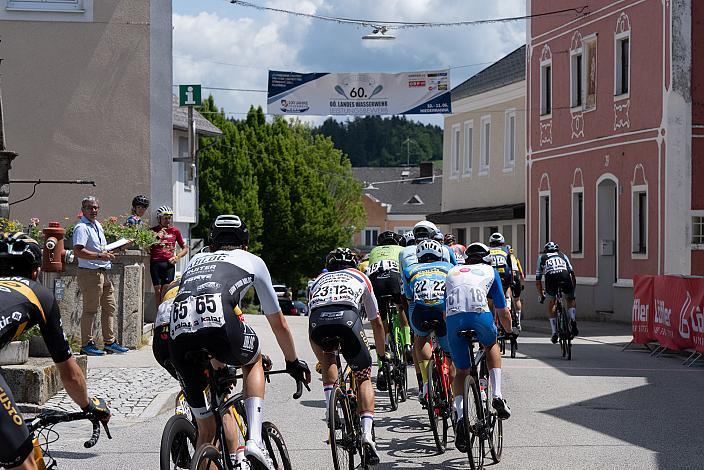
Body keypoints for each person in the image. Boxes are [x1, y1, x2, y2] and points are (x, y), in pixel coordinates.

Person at [168, 214, 311, 468]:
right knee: (253, 360)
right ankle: (255, 441)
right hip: (219, 326)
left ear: (211, 243)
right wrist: (292, 361)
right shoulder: (253, 261)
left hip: (178, 334)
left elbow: (198, 317)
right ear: (245, 243)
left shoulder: (195, 260)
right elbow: (279, 323)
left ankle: (205, 455)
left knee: (206, 432)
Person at [0, 232, 111, 470]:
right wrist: (88, 407)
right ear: (35, 271)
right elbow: (70, 374)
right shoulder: (39, 294)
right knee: (25, 463)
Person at [308, 247, 387, 464]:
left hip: (319, 322)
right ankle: (367, 434)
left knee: (328, 355)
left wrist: (322, 362)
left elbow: (310, 328)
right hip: (348, 319)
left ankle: (330, 407)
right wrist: (381, 355)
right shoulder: (361, 276)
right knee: (363, 375)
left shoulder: (318, 280)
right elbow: (376, 321)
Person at [445, 242, 513, 452]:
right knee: (491, 343)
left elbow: (443, 305)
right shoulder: (490, 270)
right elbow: (502, 310)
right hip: (479, 317)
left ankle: (461, 416)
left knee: (462, 372)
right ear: (487, 259)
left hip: (453, 320)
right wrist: (509, 331)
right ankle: (497, 395)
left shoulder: (452, 271)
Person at [73, 196, 128, 356]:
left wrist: (116, 249)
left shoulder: (97, 225)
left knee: (109, 307)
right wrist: (99, 256)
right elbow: (78, 251)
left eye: (96, 207)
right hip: (90, 273)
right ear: (83, 210)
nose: (93, 210)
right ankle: (86, 344)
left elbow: (101, 249)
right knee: (90, 309)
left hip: (103, 272)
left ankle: (109, 343)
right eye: (90, 208)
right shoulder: (81, 227)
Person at [403, 239, 454, 405]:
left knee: (421, 337)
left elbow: (409, 297)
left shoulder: (409, 269)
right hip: (442, 311)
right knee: (450, 354)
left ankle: (426, 383)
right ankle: (453, 395)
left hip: (420, 313)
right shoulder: (449, 268)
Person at [365, 231, 412, 390]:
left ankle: (382, 365)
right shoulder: (401, 250)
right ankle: (407, 345)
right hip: (393, 279)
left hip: (376, 283)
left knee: (381, 323)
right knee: (401, 308)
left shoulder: (373, 252)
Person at [535, 241, 578, 343]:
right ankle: (572, 319)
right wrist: (573, 290)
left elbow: (538, 280)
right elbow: (572, 273)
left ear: (546, 250)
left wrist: (541, 295)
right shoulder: (563, 255)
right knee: (570, 299)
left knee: (552, 303)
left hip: (551, 279)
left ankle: (554, 332)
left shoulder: (542, 257)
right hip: (565, 276)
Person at [150, 206, 189, 305]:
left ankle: (165, 315)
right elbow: (146, 245)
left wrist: (177, 257)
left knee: (166, 292)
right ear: (159, 218)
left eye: (169, 218)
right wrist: (157, 235)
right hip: (155, 263)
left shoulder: (175, 231)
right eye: (165, 218)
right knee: (158, 292)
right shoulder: (153, 231)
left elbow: (185, 248)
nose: (168, 220)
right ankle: (158, 317)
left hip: (169, 264)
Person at [487, 233, 514, 332]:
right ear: (502, 243)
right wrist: (512, 281)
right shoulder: (506, 249)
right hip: (504, 273)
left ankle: (490, 319)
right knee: (506, 289)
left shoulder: (487, 250)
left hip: (491, 274)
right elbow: (510, 265)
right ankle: (508, 306)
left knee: (489, 299)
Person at [509, 247, 524, 331]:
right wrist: (522, 284)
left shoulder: (504, 257)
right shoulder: (516, 259)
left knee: (506, 296)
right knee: (517, 299)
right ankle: (518, 322)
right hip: (516, 277)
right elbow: (522, 274)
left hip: (508, 277)